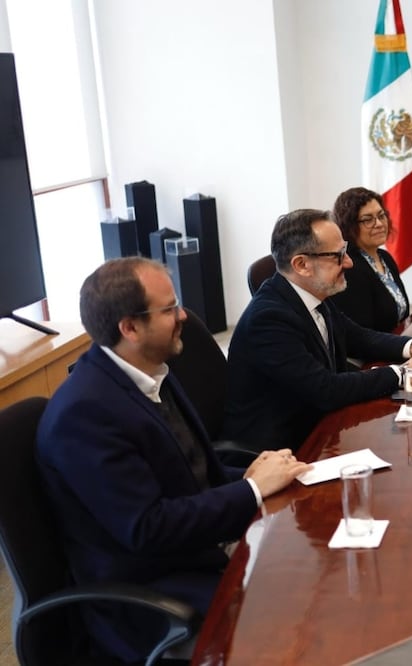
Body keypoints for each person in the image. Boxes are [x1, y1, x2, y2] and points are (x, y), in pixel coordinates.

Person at [36, 257, 311, 663]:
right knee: (300, 619)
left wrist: (272, 475)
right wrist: (251, 489)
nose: (184, 315)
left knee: (313, 568)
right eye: (169, 309)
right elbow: (148, 529)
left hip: (194, 551)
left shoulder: (152, 372)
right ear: (129, 328)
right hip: (149, 591)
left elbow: (195, 472)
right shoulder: (85, 414)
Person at [223, 209, 412, 452]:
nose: (349, 262)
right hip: (284, 449)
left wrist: (411, 346)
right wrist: (403, 374)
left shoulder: (309, 291)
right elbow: (325, 389)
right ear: (302, 265)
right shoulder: (268, 319)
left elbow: (356, 336)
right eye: (338, 255)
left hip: (320, 424)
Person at [329, 187, 410, 332]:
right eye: (368, 220)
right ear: (349, 226)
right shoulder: (349, 267)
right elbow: (361, 334)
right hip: (374, 352)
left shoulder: (385, 257)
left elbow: (402, 315)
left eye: (381, 215)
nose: (379, 224)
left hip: (397, 343)